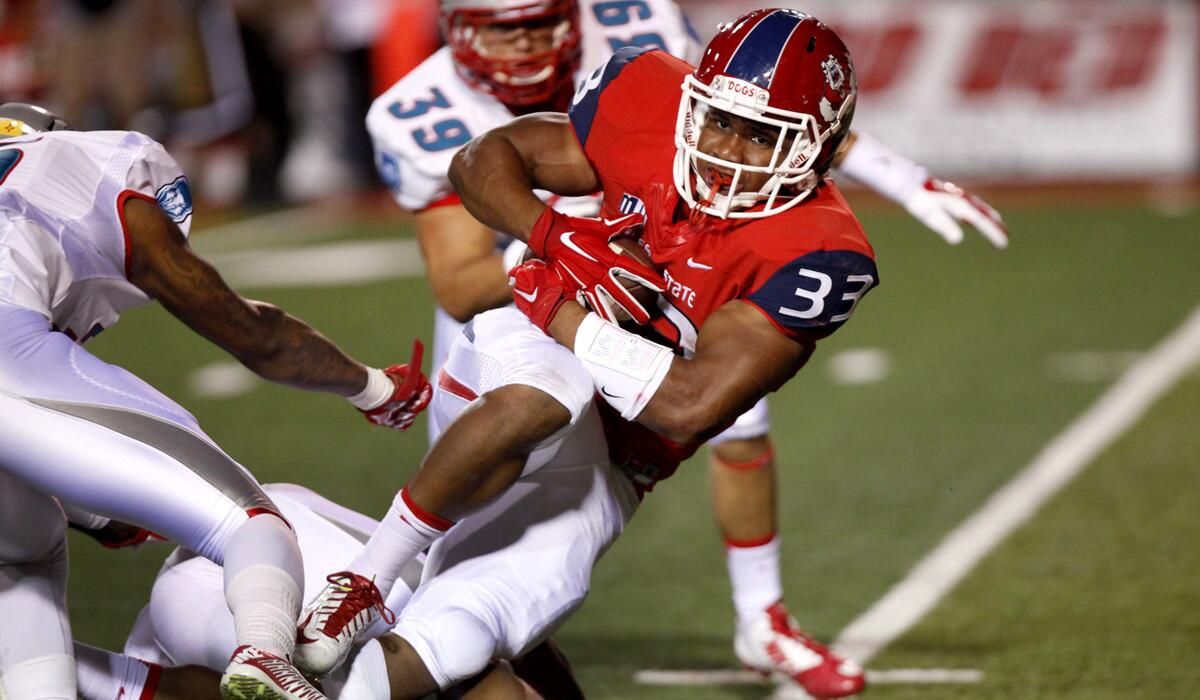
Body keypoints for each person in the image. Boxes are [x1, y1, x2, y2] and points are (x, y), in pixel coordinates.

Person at [362, 0, 1006, 688]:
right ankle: (365, 582)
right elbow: (462, 282)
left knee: (496, 600)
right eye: (498, 28)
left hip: (639, 286)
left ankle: (763, 620)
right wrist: (557, 255)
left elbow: (777, 112)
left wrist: (899, 175)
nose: (519, 46)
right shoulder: (423, 109)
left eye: (536, 22)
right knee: (471, 542)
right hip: (525, 297)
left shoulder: (642, 40)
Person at [0, 103, 431, 700]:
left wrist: (100, 516)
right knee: (250, 522)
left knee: (22, 562)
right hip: (10, 360)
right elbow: (249, 331)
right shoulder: (82, 160)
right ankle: (263, 653)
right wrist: (373, 387)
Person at [69, 483, 584, 700]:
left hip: (273, 523)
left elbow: (517, 635)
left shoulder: (469, 633)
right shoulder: (447, 647)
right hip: (249, 571)